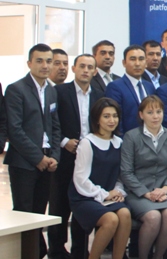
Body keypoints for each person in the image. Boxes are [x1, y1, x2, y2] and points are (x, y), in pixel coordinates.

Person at [4, 44, 61, 258]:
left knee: (39, 214)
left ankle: (35, 253)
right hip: (24, 163)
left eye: (49, 61)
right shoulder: (16, 89)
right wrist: (38, 158)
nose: (45, 65)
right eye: (39, 61)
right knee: (23, 213)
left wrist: (54, 156)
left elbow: (55, 127)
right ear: (29, 63)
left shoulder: (52, 90)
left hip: (47, 162)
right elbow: (14, 130)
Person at [48, 54, 103, 259]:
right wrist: (64, 142)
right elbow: (51, 122)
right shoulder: (60, 91)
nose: (86, 70)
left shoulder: (99, 95)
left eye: (90, 67)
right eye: (82, 66)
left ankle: (80, 251)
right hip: (65, 156)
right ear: (74, 69)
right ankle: (56, 250)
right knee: (60, 205)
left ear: (95, 71)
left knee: (83, 205)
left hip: (89, 160)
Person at [69, 97, 131, 259]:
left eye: (115, 116)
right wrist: (104, 194)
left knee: (125, 214)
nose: (112, 120)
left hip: (109, 195)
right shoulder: (87, 143)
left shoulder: (119, 142)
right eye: (106, 116)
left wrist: (118, 192)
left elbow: (120, 176)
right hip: (85, 197)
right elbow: (80, 179)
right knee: (111, 220)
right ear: (97, 119)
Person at [120, 96, 167, 259]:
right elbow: (126, 172)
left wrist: (165, 189)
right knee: (153, 217)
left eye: (159, 112)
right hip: (138, 192)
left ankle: (158, 256)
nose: (155, 116)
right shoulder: (131, 136)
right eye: (150, 112)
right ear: (141, 115)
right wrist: (146, 193)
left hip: (164, 190)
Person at [106, 45, 155, 133]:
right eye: (133, 59)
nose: (137, 63)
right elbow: (116, 119)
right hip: (127, 138)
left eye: (141, 59)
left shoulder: (149, 86)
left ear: (146, 63)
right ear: (124, 63)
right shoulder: (115, 87)